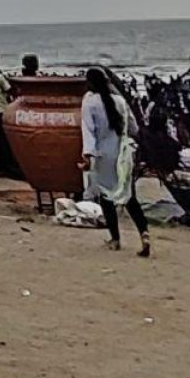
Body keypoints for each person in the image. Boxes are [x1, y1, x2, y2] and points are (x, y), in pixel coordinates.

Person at [79, 66, 149, 257]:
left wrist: (87, 156)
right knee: (129, 196)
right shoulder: (120, 101)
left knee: (106, 197)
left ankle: (115, 239)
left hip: (104, 154)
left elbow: (88, 131)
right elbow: (133, 128)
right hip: (124, 153)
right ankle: (144, 233)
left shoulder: (89, 102)